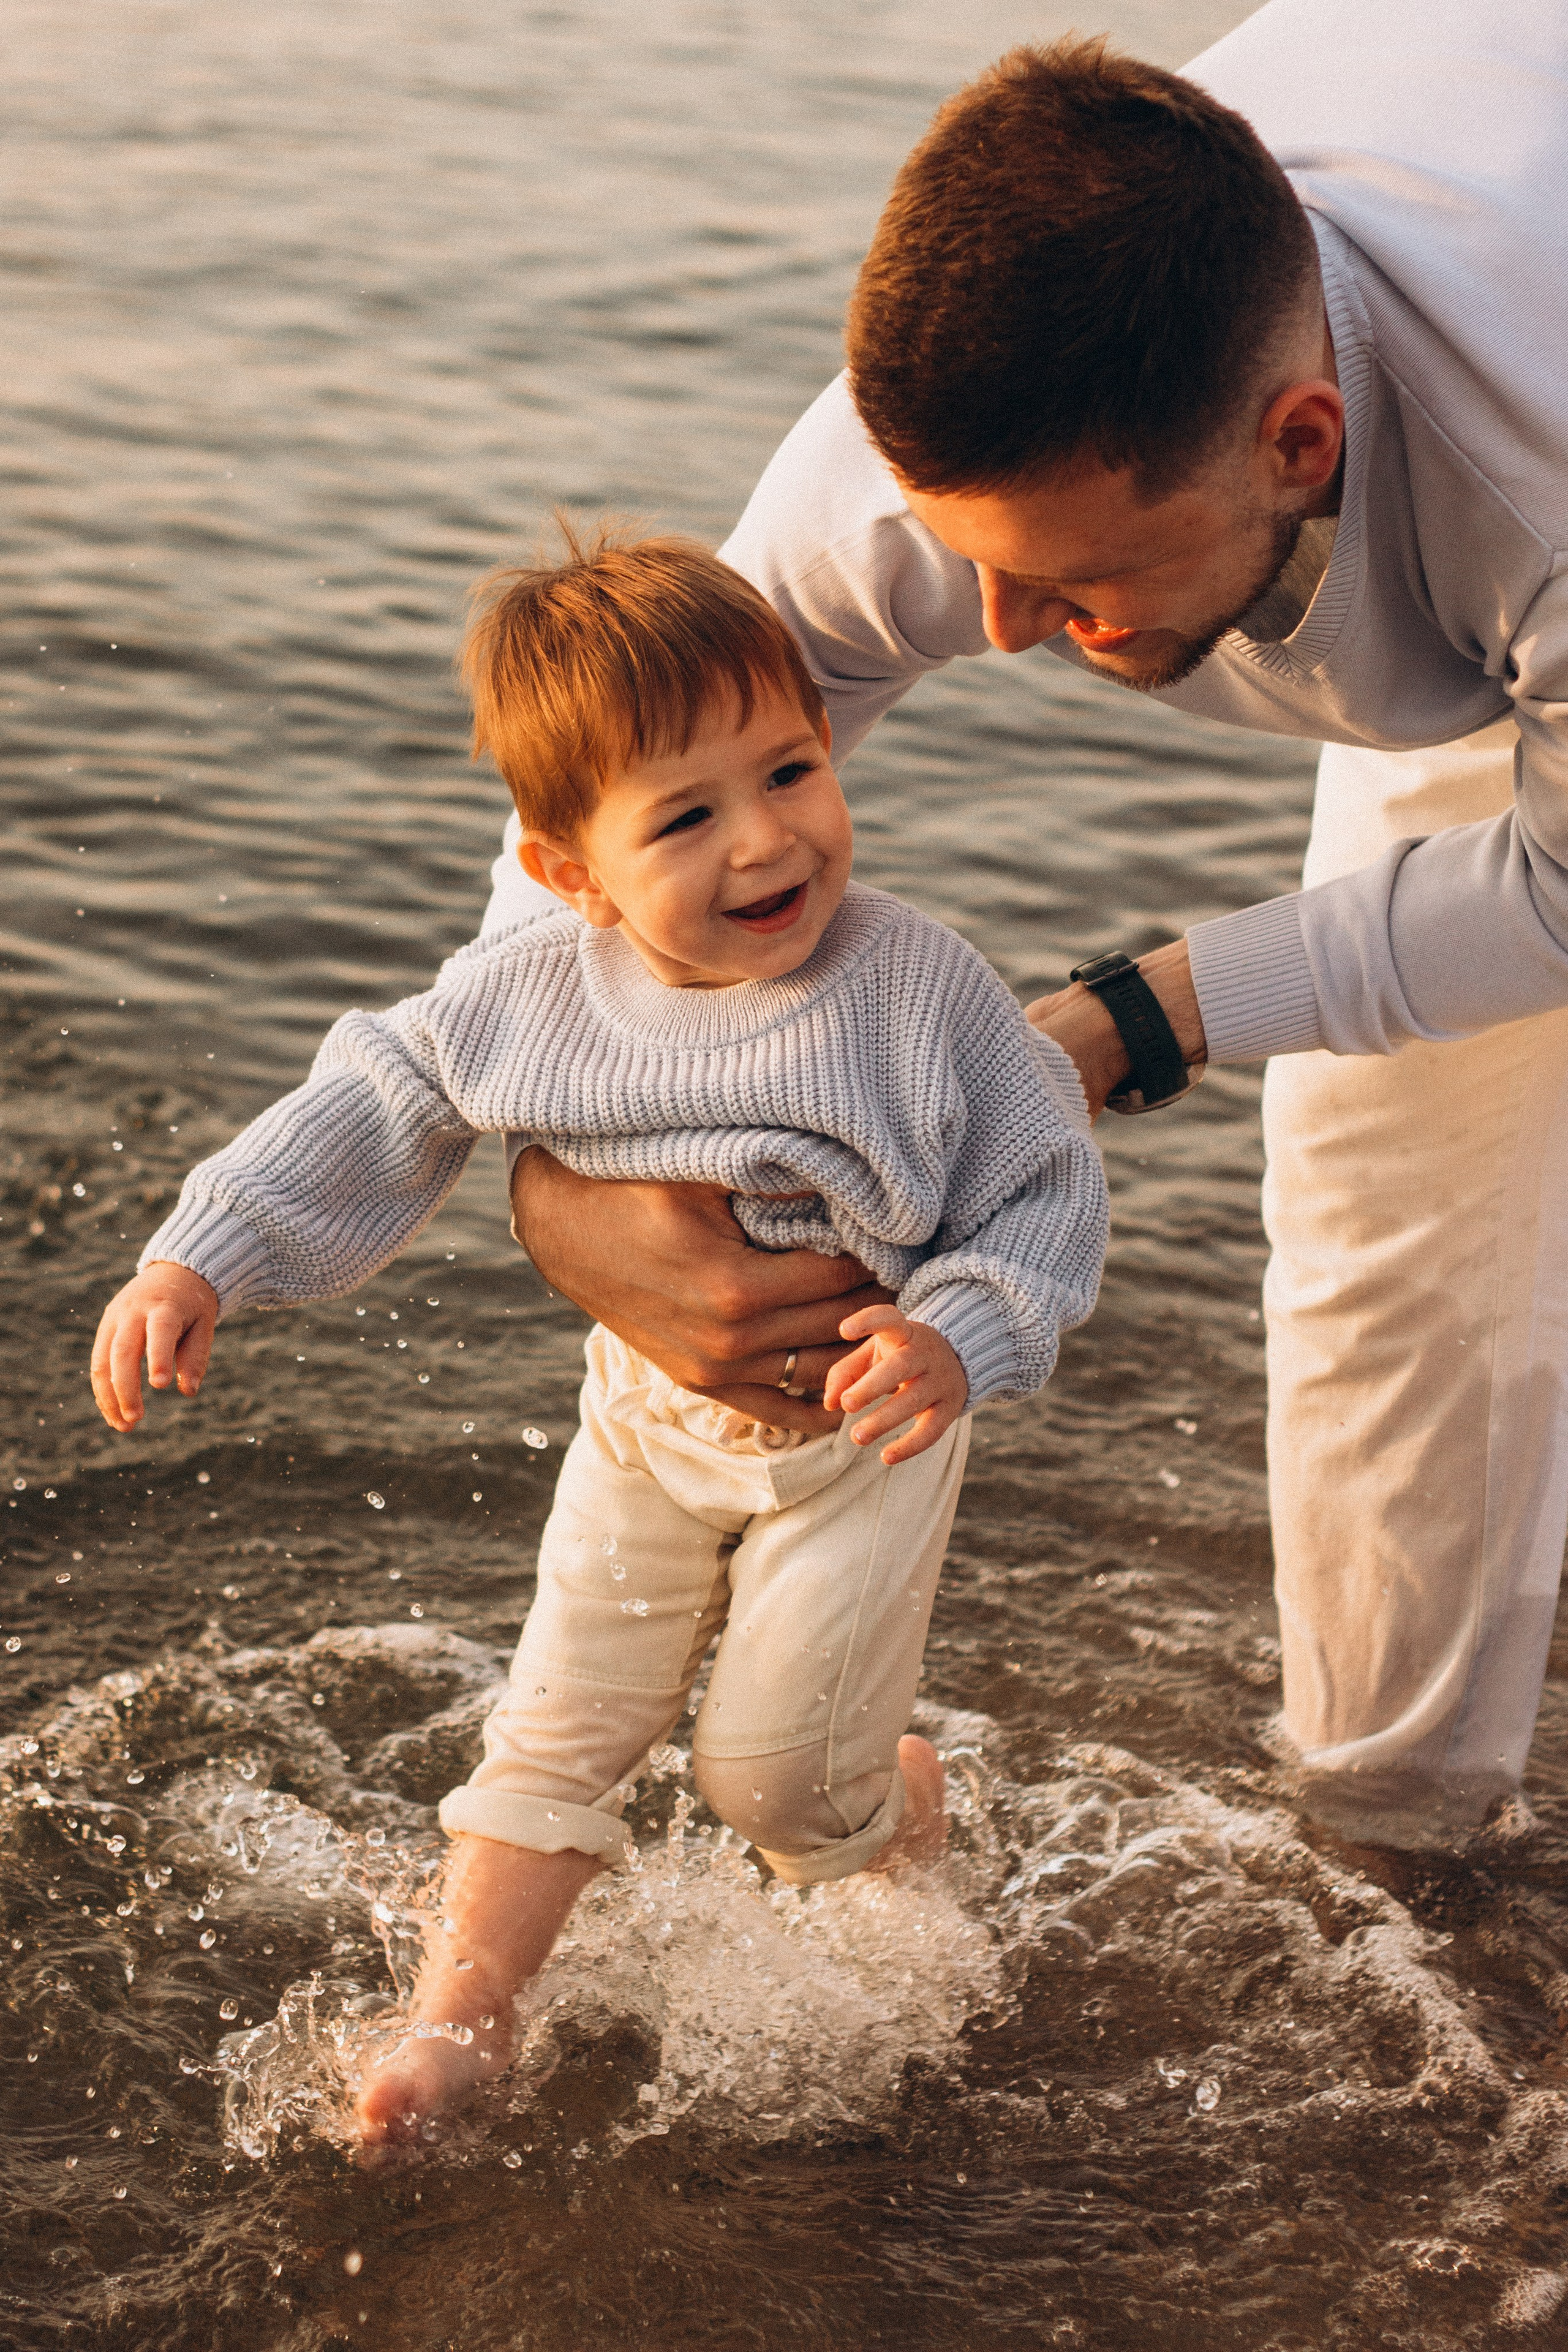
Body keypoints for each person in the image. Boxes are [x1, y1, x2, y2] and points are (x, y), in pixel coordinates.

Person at [481, 6, 1568, 1850]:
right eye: (959, 548)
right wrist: (565, 1188)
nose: (984, 628)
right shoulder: (927, 468)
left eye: (1069, 581)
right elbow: (594, 827)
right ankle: (1401, 1845)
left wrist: (1124, 1023)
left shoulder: (1530, 455)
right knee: (1380, 1221)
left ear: (1298, 441)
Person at [89, 529, 1107, 2138]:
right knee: (556, 1728)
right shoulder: (538, 990)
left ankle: (892, 1805)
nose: (769, 841)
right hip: (644, 1422)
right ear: (572, 868)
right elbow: (381, 1089)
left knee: (772, 1788)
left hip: (866, 1433)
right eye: (688, 814)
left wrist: (964, 1333)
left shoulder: (918, 991)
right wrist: (200, 1258)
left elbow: (1046, 1183)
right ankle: (458, 2024)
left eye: (791, 769)